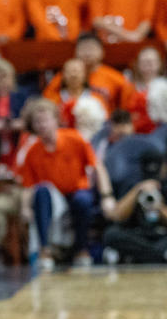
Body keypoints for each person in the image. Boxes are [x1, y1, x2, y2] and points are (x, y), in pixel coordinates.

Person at [15, 98, 116, 271]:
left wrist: (107, 196)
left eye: (46, 119)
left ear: (56, 120)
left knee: (83, 199)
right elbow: (28, 185)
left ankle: (81, 250)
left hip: (76, 192)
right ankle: (45, 250)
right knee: (41, 192)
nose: (42, 125)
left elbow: (97, 166)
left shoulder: (74, 138)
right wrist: (25, 208)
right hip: (52, 199)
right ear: (32, 126)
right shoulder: (32, 152)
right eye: (37, 121)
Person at [102, 149, 167, 264]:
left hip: (161, 234)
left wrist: (160, 208)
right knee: (111, 234)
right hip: (138, 234)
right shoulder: (133, 186)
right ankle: (158, 256)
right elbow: (117, 216)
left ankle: (139, 256)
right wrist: (137, 191)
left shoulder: (165, 187)